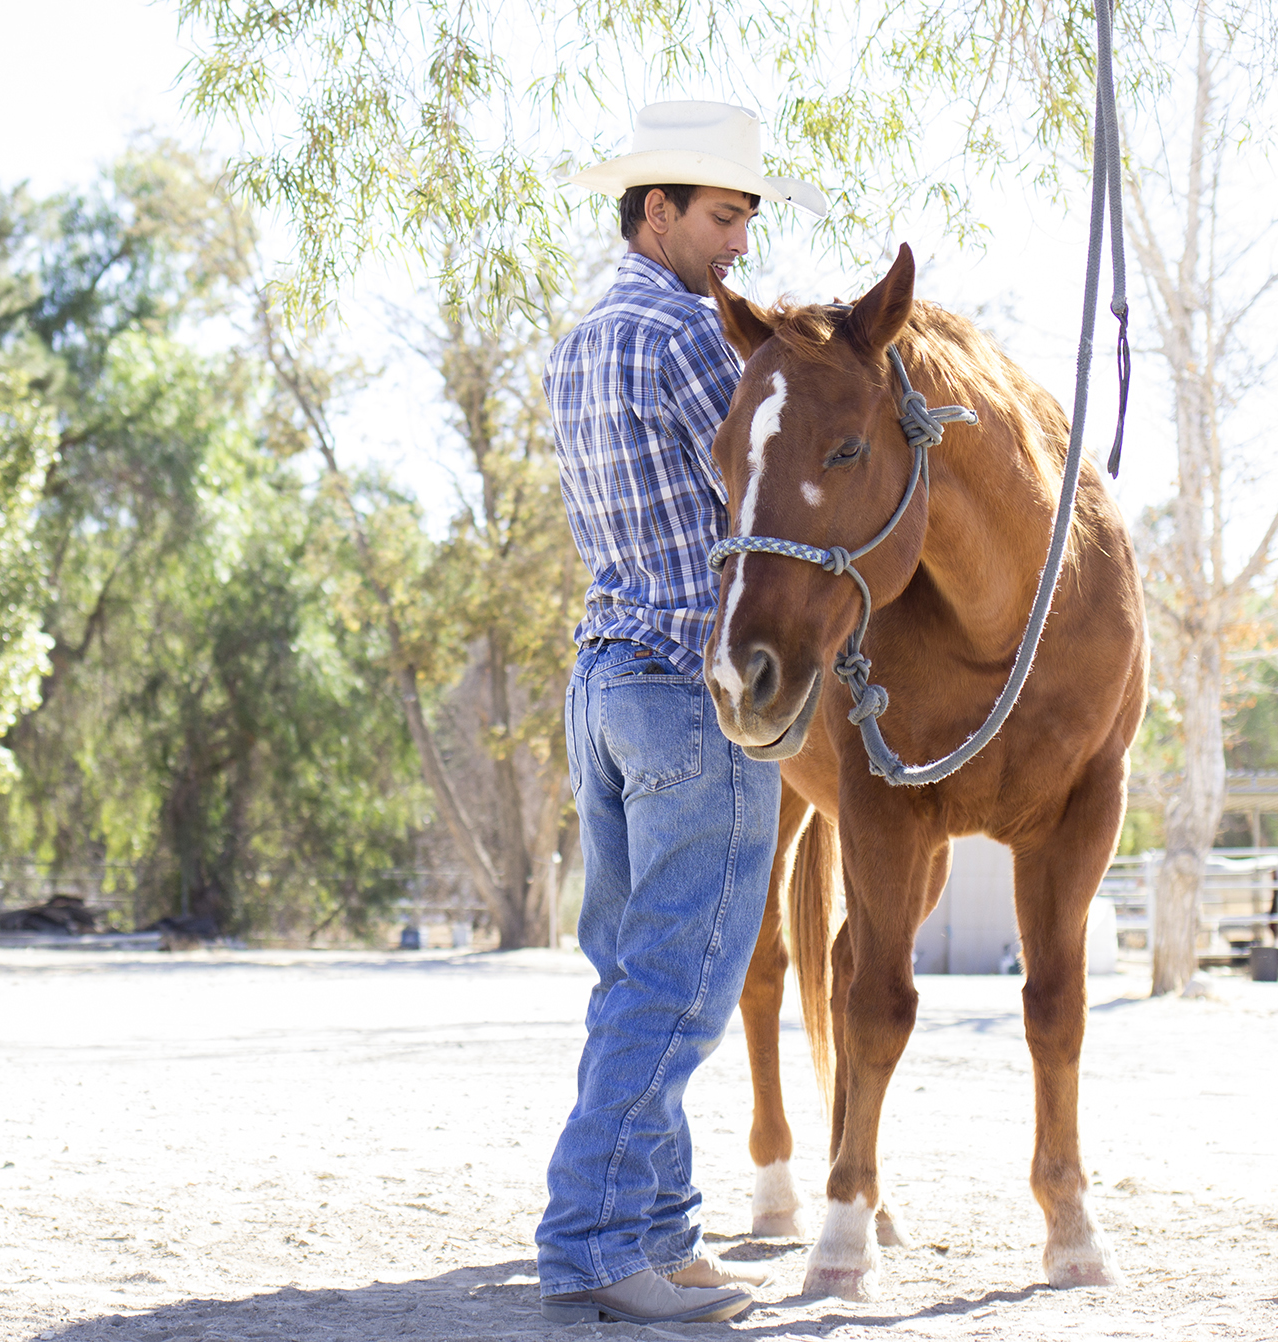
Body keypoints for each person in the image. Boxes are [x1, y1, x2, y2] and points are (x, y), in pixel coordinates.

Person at [535, 101, 827, 1327]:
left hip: (602, 676)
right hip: (688, 688)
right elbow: (775, 484)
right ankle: (594, 1241)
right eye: (719, 217)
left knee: (628, 972)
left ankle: (660, 1224)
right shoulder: (691, 340)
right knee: (681, 986)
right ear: (652, 209)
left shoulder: (579, 338)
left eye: (745, 219)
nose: (738, 247)